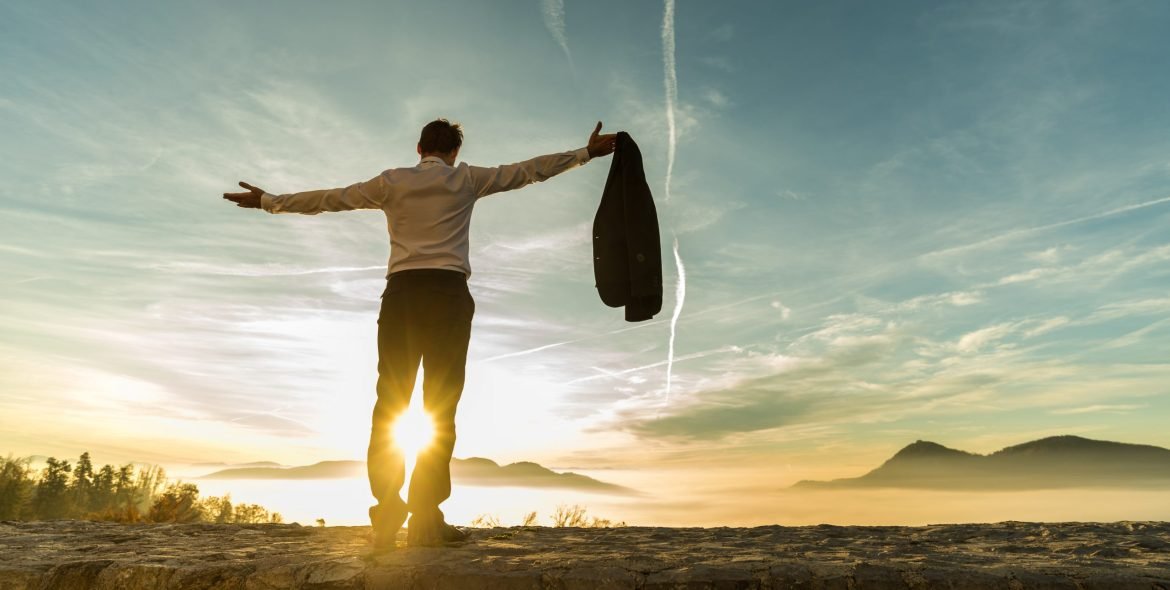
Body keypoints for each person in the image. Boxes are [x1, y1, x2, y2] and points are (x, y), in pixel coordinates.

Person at [222, 119, 617, 548]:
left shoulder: (392, 182)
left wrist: (269, 202)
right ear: (454, 153)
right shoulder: (467, 178)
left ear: (418, 148)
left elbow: (330, 199)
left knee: (391, 401)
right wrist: (586, 153)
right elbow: (528, 170)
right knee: (440, 407)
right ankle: (427, 519)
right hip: (448, 296)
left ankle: (388, 513)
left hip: (403, 298)